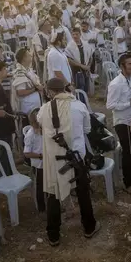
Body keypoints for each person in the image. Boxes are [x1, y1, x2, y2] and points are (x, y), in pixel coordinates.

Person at [38, 77, 99, 245]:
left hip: (54, 160)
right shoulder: (79, 106)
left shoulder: (44, 109)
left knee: (53, 195)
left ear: (50, 92)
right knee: (82, 192)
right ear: (65, 89)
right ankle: (89, 227)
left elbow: (39, 122)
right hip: (76, 157)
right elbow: (87, 129)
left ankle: (53, 234)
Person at [107, 53, 131, 195]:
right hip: (122, 122)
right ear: (122, 66)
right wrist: (129, 103)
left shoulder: (130, 79)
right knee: (129, 151)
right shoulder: (116, 84)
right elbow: (110, 105)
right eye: (129, 64)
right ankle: (128, 183)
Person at [23, 108, 45, 213]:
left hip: (47, 163)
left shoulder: (45, 130)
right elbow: (27, 153)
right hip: (38, 164)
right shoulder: (30, 135)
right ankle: (41, 207)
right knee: (40, 186)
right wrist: (40, 156)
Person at [11, 47, 43, 118]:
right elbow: (20, 92)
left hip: (35, 106)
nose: (31, 57)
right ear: (24, 58)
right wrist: (35, 89)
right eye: (29, 55)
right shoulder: (20, 72)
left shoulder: (28, 70)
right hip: (28, 108)